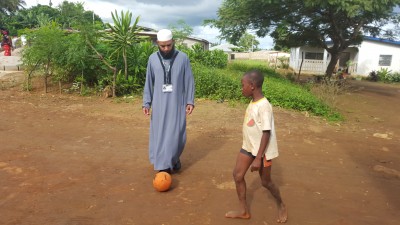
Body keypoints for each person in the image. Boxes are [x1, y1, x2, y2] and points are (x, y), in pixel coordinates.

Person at [225, 70, 288, 223]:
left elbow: (266, 133)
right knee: (237, 175)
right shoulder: (253, 102)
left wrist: (258, 158)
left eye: (243, 85)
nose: (242, 88)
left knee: (266, 182)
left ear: (252, 86)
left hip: (262, 151)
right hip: (248, 147)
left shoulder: (264, 106)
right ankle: (244, 210)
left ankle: (281, 205)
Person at [142, 29, 195, 173]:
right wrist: (147, 102)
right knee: (160, 134)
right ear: (158, 44)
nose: (166, 49)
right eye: (163, 46)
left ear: (173, 42)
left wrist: (190, 101)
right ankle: (164, 167)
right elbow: (149, 81)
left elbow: (189, 80)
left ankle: (174, 158)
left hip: (177, 103)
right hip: (159, 104)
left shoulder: (183, 58)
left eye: (169, 45)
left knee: (176, 134)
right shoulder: (152, 59)